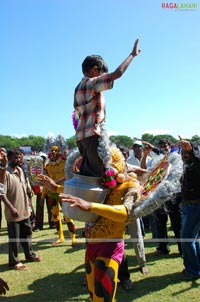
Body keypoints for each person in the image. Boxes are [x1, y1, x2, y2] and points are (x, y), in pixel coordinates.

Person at [74, 38, 141, 178]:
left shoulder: (78, 87)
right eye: (102, 73)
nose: (103, 77)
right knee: (101, 178)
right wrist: (132, 55)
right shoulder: (92, 82)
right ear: (94, 70)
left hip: (82, 138)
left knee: (88, 176)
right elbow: (118, 74)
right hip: (93, 136)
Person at [0, 148, 41, 270]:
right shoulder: (5, 173)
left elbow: (25, 189)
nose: (18, 159)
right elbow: (1, 194)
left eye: (19, 157)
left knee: (27, 233)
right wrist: (11, 208)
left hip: (25, 210)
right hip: (13, 211)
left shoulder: (21, 170)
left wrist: (29, 205)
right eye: (15, 157)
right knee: (15, 238)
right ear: (9, 158)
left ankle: (29, 254)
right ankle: (14, 261)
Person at [143, 139, 182, 256]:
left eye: (165, 145)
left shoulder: (176, 157)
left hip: (175, 194)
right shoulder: (156, 161)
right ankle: (163, 248)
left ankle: (182, 249)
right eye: (161, 146)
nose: (163, 147)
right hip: (159, 195)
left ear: (170, 146)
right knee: (160, 223)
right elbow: (146, 172)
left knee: (177, 222)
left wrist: (154, 148)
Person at [42, 145, 76, 246]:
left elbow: (67, 177)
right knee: (55, 216)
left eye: (55, 150)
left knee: (68, 216)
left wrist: (54, 183)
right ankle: (60, 237)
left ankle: (73, 238)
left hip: (63, 191)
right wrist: (43, 195)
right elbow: (45, 181)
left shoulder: (65, 164)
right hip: (51, 194)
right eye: (52, 150)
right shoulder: (47, 166)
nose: (53, 152)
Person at [179, 138, 200, 280]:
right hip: (187, 205)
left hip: (195, 205)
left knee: (186, 238)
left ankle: (193, 271)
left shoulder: (196, 164)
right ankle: (196, 267)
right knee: (192, 238)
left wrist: (192, 151)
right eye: (183, 152)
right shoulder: (185, 165)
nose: (183, 154)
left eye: (186, 152)